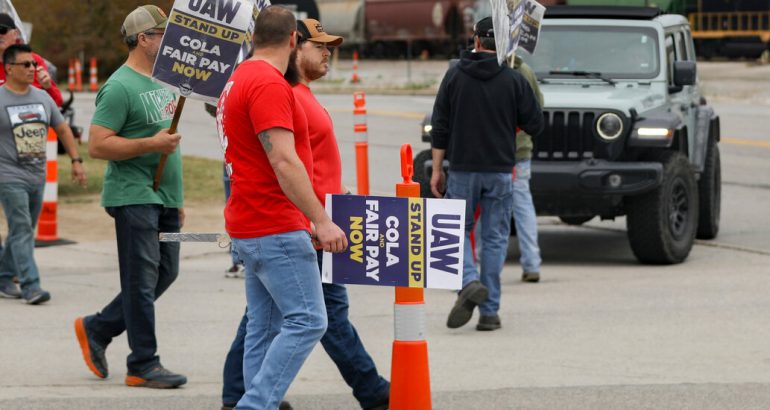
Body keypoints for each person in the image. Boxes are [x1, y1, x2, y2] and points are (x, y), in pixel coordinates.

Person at [219, 19, 390, 410]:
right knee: (310, 321)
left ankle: (245, 399)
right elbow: (284, 160)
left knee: (264, 326)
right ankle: (251, 404)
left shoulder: (245, 79)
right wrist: (320, 218)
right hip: (278, 221)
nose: (328, 51)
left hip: (259, 221)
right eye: (319, 45)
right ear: (294, 41)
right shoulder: (271, 85)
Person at [73, 5, 187, 389]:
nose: (168, 41)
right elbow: (97, 146)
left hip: (166, 200)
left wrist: (178, 199)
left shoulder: (161, 80)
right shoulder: (119, 86)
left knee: (166, 271)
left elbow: (167, 143)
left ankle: (98, 327)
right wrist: (150, 144)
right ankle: (143, 363)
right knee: (141, 279)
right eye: (162, 35)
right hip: (133, 198)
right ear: (143, 39)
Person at [430, 17, 543, 331]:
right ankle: (490, 313)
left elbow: (439, 127)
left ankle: (467, 282)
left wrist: (437, 169)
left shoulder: (454, 77)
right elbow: (537, 124)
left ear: (475, 40)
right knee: (493, 240)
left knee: (456, 233)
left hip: (463, 170)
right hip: (501, 172)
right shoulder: (514, 79)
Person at [0, 44, 86, 303]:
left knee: (23, 230)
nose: (32, 69)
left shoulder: (42, 97)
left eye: (34, 65)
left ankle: (4, 276)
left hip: (37, 176)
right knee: (23, 228)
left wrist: (76, 160)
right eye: (26, 65)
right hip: (8, 175)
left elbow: (62, 129)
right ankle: (31, 286)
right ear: (9, 68)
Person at [509, 53, 543, 284]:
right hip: (520, 151)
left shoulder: (489, 72)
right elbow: (537, 106)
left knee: (487, 210)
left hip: (489, 153)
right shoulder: (526, 72)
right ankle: (531, 263)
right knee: (523, 207)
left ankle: (479, 262)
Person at [0, 13, 63, 107]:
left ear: (15, 34)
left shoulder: (33, 61)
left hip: (29, 118)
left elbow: (57, 102)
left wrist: (48, 87)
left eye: (2, 30)